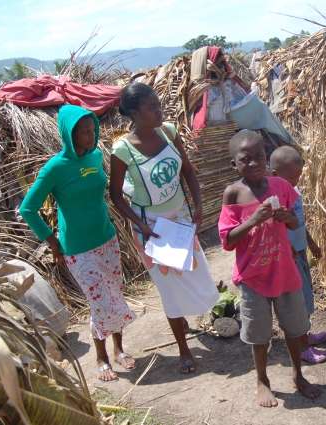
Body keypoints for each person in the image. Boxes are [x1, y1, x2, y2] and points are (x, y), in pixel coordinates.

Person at [20, 104, 136, 382]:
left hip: (106, 237)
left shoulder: (96, 156)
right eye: (82, 132)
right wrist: (52, 242)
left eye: (91, 129)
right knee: (99, 301)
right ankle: (101, 357)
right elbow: (28, 208)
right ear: (68, 135)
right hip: (77, 247)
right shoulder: (55, 168)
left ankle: (119, 348)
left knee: (115, 293)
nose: (89, 135)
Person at [110, 82, 219, 374]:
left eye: (159, 104)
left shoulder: (169, 132)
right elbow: (116, 196)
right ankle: (184, 349)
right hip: (152, 229)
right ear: (134, 113)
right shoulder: (122, 150)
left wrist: (197, 207)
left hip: (180, 219)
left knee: (194, 272)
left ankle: (186, 320)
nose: (159, 111)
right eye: (151, 107)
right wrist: (140, 226)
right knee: (169, 286)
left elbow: (188, 171)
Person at [218, 130, 320, 407]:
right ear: (234, 165)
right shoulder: (233, 194)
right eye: (245, 159)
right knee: (259, 335)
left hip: (284, 272)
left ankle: (298, 375)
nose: (253, 164)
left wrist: (286, 217)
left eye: (259, 157)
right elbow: (227, 240)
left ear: (267, 157)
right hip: (253, 278)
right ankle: (262, 380)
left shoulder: (281, 186)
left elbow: (294, 224)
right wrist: (253, 220)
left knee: (295, 329)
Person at [269, 145, 326, 364]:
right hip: (289, 256)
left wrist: (311, 243)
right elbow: (277, 229)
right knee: (297, 301)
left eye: (299, 176)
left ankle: (306, 335)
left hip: (300, 252)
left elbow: (298, 223)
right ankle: (302, 347)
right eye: (292, 177)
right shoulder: (274, 198)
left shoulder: (293, 191)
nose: (296, 181)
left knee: (305, 296)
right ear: (276, 175)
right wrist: (290, 249)